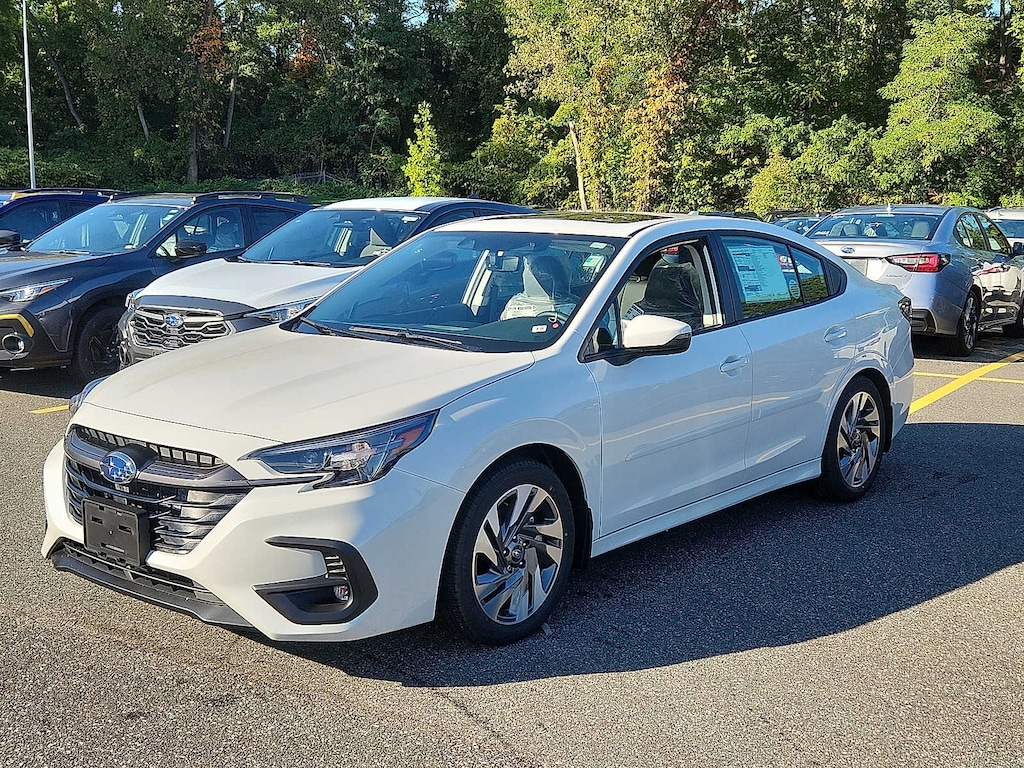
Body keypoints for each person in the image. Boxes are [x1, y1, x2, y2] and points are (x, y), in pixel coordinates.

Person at [500, 253, 577, 320]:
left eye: (545, 278)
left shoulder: (514, 303)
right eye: (542, 278)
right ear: (560, 277)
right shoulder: (576, 306)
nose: (544, 282)